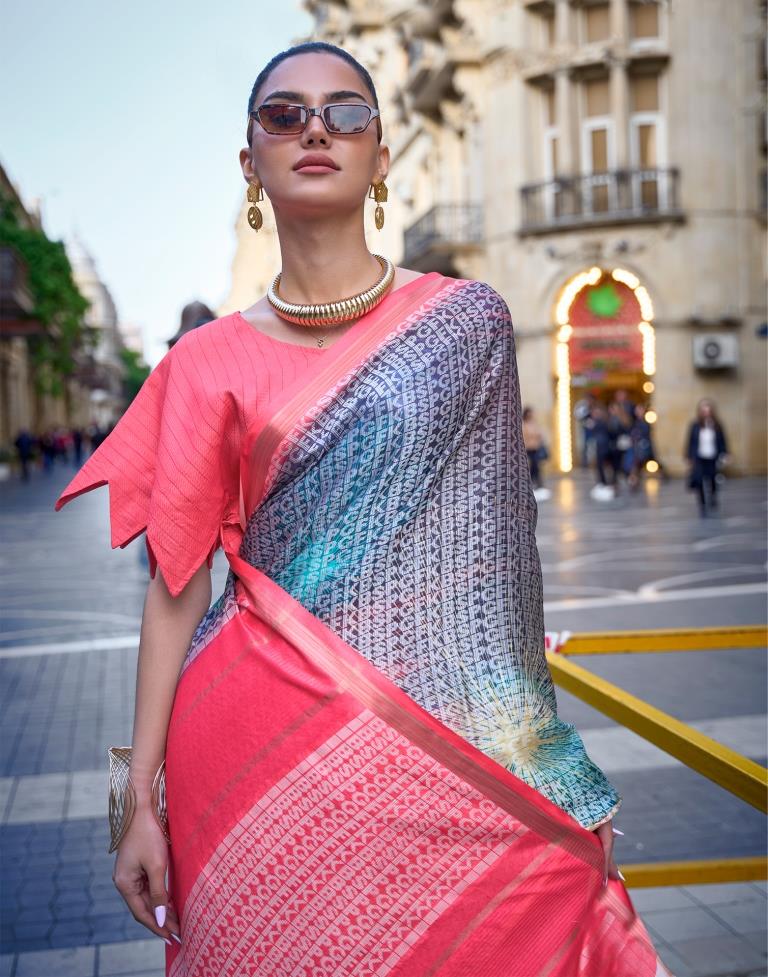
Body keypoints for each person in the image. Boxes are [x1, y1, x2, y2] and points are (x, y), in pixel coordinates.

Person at [54, 42, 673, 977]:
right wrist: (136, 804)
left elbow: (497, 586)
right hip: (244, 748)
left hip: (438, 742)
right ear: (249, 161)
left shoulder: (466, 323)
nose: (315, 129)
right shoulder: (201, 361)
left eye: (346, 113)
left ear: (381, 156)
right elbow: (174, 591)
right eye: (283, 114)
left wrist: (551, 769)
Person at [684, 397, 729, 516]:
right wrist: (688, 456)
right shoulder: (695, 425)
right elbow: (690, 442)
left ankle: (713, 497)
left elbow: (722, 441)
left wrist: (725, 453)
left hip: (712, 456)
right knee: (699, 479)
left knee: (712, 478)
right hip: (699, 457)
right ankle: (702, 503)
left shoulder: (717, 425)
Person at [521, 405, 550, 500]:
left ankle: (537, 483)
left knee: (536, 466)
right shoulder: (523, 424)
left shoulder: (534, 423)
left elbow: (540, 434)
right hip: (528, 448)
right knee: (533, 466)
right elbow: (525, 436)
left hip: (536, 448)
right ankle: (532, 484)